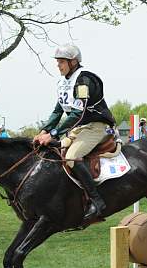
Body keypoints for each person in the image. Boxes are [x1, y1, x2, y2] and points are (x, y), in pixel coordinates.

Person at [32, 44, 115, 222]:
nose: (58, 65)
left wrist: (54, 133)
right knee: (54, 153)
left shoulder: (84, 80)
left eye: (61, 62)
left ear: (73, 61)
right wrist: (44, 131)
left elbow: (79, 113)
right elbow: (57, 111)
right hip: (79, 129)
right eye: (58, 62)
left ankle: (97, 201)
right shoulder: (63, 83)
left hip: (95, 126)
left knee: (71, 157)